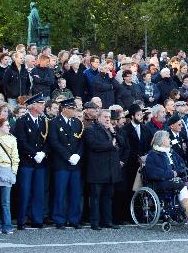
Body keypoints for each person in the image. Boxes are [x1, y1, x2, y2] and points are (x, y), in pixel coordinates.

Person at [144, 130, 188, 224]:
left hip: (176, 180)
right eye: (168, 138)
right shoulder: (153, 154)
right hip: (161, 182)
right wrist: (171, 174)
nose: (170, 140)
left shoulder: (172, 153)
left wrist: (179, 172)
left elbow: (182, 165)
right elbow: (152, 172)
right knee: (182, 185)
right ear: (162, 140)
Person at [13, 94, 49, 230]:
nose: (43, 106)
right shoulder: (22, 121)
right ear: (33, 106)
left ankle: (37, 219)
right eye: (41, 104)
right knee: (25, 191)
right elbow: (21, 141)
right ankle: (22, 219)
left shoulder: (43, 121)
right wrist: (34, 154)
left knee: (39, 192)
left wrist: (43, 153)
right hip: (27, 162)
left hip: (40, 162)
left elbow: (47, 140)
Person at [83, 109, 123, 230]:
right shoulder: (90, 129)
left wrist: (113, 132)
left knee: (108, 197)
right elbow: (94, 145)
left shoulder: (111, 130)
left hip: (110, 170)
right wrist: (111, 144)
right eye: (105, 117)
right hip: (97, 170)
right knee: (95, 198)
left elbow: (121, 143)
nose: (107, 119)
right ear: (98, 117)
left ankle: (107, 221)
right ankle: (95, 222)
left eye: (109, 117)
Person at [47, 98, 84, 229]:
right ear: (64, 109)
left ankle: (74, 219)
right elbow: (54, 142)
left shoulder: (77, 123)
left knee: (75, 193)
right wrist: (68, 156)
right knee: (60, 193)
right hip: (61, 163)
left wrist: (78, 155)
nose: (74, 111)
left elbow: (81, 141)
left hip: (75, 164)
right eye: (72, 108)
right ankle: (59, 219)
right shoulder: (54, 123)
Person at [0, 116, 19, 234]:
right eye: (6, 125)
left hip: (7, 169)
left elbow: (15, 157)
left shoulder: (12, 139)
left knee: (6, 201)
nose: (9, 127)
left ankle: (7, 225)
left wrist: (14, 172)